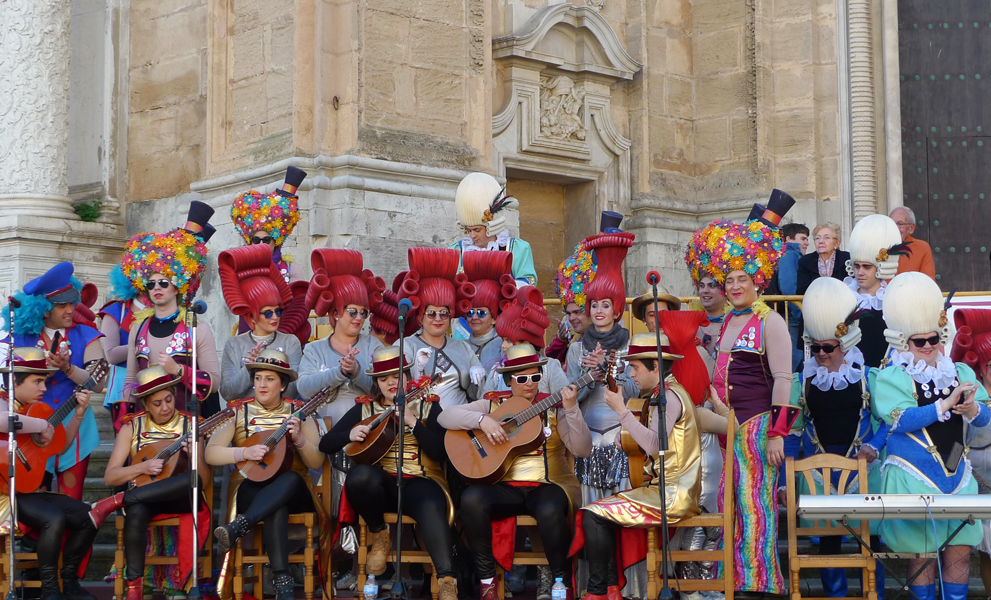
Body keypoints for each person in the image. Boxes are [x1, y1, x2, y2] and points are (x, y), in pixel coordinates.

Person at [687, 189, 797, 597]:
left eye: (741, 280)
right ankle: (735, 580)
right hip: (727, 425)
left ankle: (761, 585)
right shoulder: (730, 321)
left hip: (756, 427)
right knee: (731, 504)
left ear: (757, 282)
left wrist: (777, 433)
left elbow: (784, 379)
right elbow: (723, 371)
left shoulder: (771, 322)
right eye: (729, 280)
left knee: (756, 507)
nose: (733, 286)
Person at [569, 324, 715, 600]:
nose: (631, 374)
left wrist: (622, 411)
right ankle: (611, 590)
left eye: (635, 368)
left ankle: (600, 592)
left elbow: (655, 445)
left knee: (592, 515)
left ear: (655, 368)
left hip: (670, 495)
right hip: (666, 490)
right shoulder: (665, 393)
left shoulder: (666, 397)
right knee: (599, 513)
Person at [871, 272, 991, 600]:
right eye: (919, 341)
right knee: (921, 555)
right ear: (904, 343)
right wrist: (945, 404)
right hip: (913, 477)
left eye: (934, 339)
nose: (928, 346)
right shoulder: (891, 377)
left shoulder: (961, 372)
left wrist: (971, 411)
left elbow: (986, 414)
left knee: (960, 553)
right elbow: (897, 419)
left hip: (957, 475)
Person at [439, 343, 588, 600]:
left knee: (548, 508)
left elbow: (583, 449)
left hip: (549, 483)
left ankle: (560, 579)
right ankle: (487, 580)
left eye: (535, 377)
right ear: (509, 380)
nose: (530, 383)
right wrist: (482, 421)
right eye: (522, 378)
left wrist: (572, 408)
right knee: (472, 499)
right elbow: (445, 417)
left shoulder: (554, 406)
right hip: (506, 486)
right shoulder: (495, 404)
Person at [320, 346, 458, 600]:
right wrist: (348, 435)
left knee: (430, 502)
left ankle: (447, 578)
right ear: (376, 383)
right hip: (382, 485)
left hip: (421, 479)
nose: (391, 382)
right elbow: (325, 444)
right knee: (360, 476)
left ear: (407, 376)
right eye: (383, 379)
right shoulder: (365, 409)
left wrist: (413, 422)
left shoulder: (427, 407)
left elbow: (440, 452)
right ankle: (379, 533)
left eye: (397, 376)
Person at [782, 277, 886, 598]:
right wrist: (784, 481)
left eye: (827, 348)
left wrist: (873, 447)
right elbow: (788, 430)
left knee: (870, 543)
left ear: (845, 344)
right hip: (818, 474)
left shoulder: (870, 378)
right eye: (815, 348)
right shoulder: (801, 381)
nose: (821, 354)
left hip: (863, 472)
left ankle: (876, 596)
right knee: (828, 541)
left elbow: (888, 423)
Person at [207, 349, 331, 600]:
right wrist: (244, 452)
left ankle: (239, 527)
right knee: (275, 504)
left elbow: (317, 459)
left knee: (290, 479)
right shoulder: (237, 411)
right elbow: (211, 453)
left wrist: (298, 440)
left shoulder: (298, 412)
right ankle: (283, 584)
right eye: (258, 378)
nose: (261, 384)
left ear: (283, 384)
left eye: (270, 379)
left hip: (295, 491)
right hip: (251, 487)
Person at [89, 366, 210, 600]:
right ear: (145, 404)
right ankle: (135, 587)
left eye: (169, 399)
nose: (165, 407)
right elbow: (110, 476)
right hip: (145, 497)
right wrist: (141, 468)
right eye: (157, 403)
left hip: (179, 498)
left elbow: (202, 482)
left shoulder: (190, 424)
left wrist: (195, 455)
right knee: (136, 510)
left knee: (190, 478)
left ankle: (115, 502)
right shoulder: (131, 426)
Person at [4, 262, 107, 500]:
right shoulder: (18, 337)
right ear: (44, 309)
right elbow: (9, 381)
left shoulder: (87, 334)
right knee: (37, 497)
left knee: (72, 497)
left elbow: (99, 383)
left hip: (76, 422)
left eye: (72, 303)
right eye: (62, 305)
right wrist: (45, 372)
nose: (70, 309)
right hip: (31, 426)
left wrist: (67, 368)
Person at [0, 347, 97, 600]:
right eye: (38, 381)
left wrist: (78, 413)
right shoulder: (1, 400)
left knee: (88, 515)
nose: (44, 388)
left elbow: (60, 445)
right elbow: (3, 420)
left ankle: (69, 582)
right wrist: (42, 425)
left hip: (27, 489)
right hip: (4, 494)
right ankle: (50, 591)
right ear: (15, 381)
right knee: (53, 518)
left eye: (44, 381)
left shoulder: (38, 409)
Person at [120, 201, 220, 416]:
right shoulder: (138, 328)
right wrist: (124, 418)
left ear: (177, 287)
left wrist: (179, 371)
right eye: (151, 284)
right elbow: (130, 379)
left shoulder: (196, 329)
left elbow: (214, 382)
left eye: (164, 283)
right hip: (145, 424)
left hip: (186, 425)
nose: (157, 288)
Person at [565, 230, 640, 504]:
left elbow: (635, 392)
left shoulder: (632, 348)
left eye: (605, 305)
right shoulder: (577, 349)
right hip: (589, 440)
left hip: (624, 440)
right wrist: (589, 377)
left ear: (617, 310)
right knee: (592, 512)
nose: (598, 310)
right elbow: (570, 397)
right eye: (594, 304)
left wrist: (609, 367)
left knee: (622, 509)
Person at [230, 167, 312, 346]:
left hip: (286, 335)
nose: (260, 245)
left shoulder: (290, 268)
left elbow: (300, 304)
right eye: (255, 240)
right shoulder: (240, 268)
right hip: (250, 336)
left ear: (276, 241)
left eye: (266, 240)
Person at [396, 247, 486, 408]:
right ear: (419, 316)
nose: (438, 318)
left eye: (444, 313)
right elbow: (396, 392)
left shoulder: (463, 347)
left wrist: (478, 380)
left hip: (459, 425)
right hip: (420, 424)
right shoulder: (406, 345)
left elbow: (475, 396)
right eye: (431, 313)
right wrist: (416, 369)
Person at [218, 244, 303, 404]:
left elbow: (293, 390)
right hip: (243, 420)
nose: (275, 318)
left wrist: (266, 363)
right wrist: (250, 368)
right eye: (268, 313)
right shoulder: (234, 344)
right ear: (251, 317)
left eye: (278, 311)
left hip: (281, 418)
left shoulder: (290, 342)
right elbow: (227, 393)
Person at [947, 309, 991, 593]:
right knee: (987, 551)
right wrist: (950, 474)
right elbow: (956, 445)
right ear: (984, 368)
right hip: (978, 491)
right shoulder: (967, 402)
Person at [843, 214, 910, 368]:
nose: (860, 272)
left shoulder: (892, 301)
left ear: (880, 267)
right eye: (857, 266)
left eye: (867, 267)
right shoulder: (844, 298)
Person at [449, 172, 537, 286]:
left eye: (477, 230)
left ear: (492, 225)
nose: (472, 235)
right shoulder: (456, 251)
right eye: (469, 230)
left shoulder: (517, 249)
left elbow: (529, 282)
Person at [99, 263, 149, 432]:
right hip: (123, 389)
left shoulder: (166, 311)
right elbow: (111, 355)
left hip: (158, 384)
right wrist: (144, 344)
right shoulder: (115, 311)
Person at [461, 251, 518, 371]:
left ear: (494, 318)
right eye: (470, 312)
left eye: (481, 313)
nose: (474, 317)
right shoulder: (461, 346)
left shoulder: (503, 345)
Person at [548, 242, 596, 367]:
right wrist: (561, 339)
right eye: (568, 313)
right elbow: (549, 362)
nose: (571, 318)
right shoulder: (570, 335)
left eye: (577, 312)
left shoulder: (608, 337)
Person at [774, 222, 810, 371]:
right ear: (789, 239)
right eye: (803, 238)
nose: (807, 243)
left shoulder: (792, 255)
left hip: (793, 315)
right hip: (794, 317)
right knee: (795, 362)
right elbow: (789, 286)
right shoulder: (790, 255)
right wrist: (801, 313)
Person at [797, 222, 849, 294]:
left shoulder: (847, 259)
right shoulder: (805, 261)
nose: (821, 241)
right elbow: (800, 290)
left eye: (826, 237)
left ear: (837, 243)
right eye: (817, 238)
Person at [890, 206, 936, 279]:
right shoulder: (880, 246)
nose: (895, 228)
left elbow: (928, 282)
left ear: (911, 228)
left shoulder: (922, 248)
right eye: (891, 223)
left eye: (900, 224)